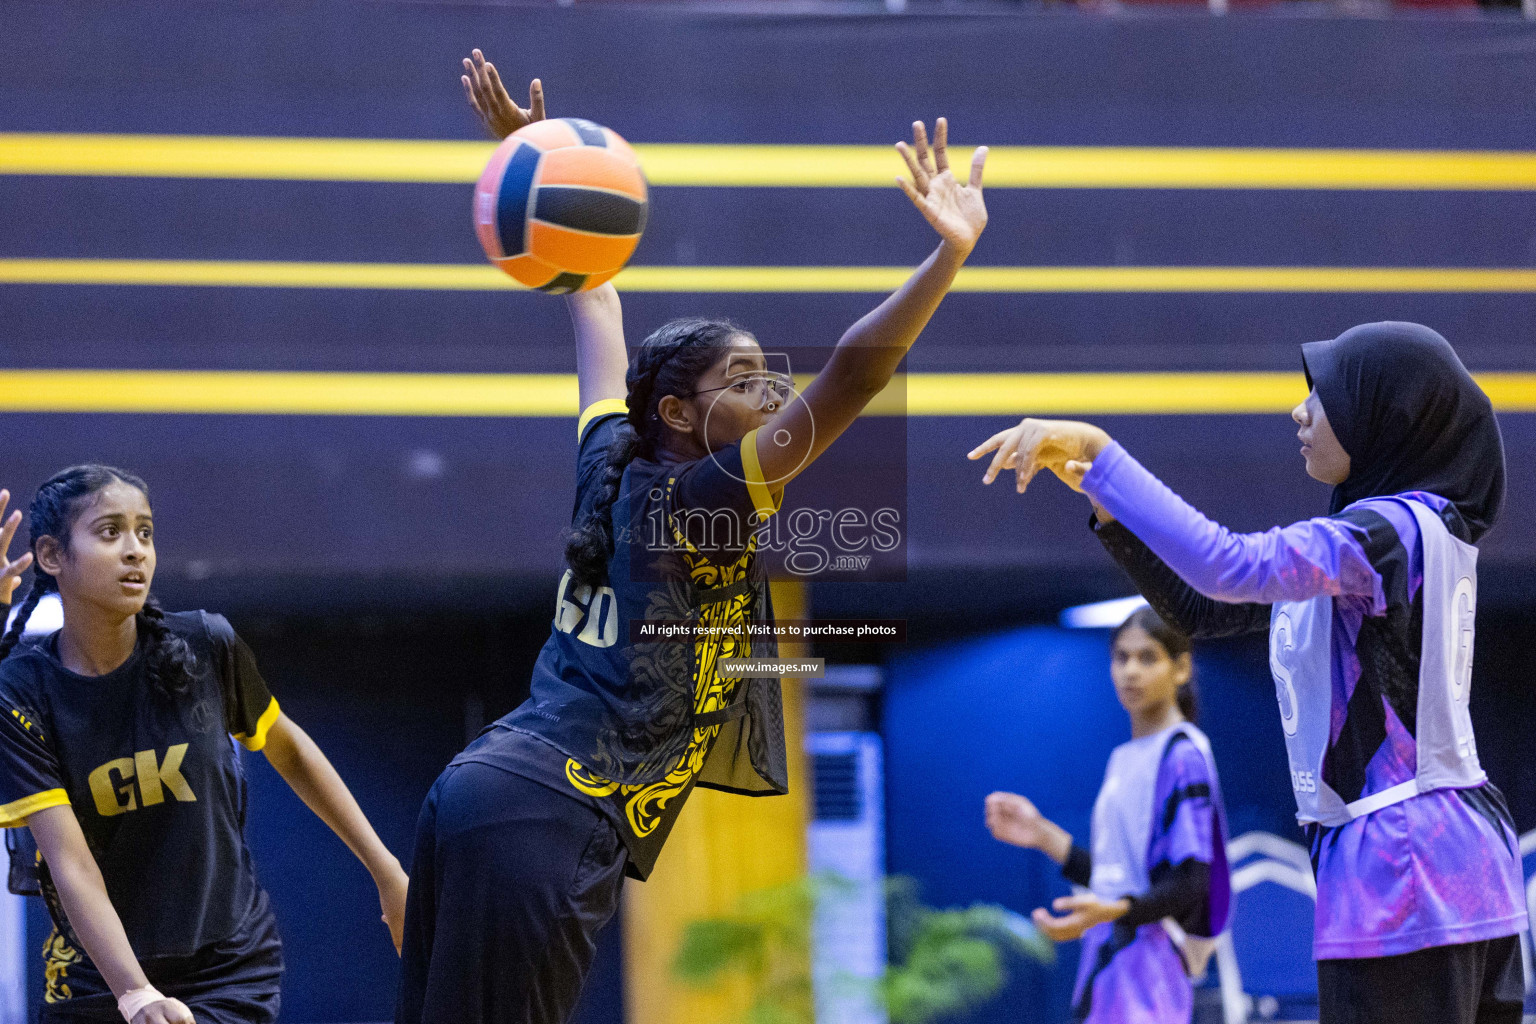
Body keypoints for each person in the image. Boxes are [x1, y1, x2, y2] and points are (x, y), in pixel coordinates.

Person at [393, 50, 990, 1024]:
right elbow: (853, 376)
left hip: (491, 794)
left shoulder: (612, 460)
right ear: (677, 410)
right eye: (744, 379)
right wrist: (947, 257)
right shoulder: (707, 497)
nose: (769, 393)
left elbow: (590, 293)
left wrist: (532, 166)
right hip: (547, 808)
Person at [968, 321, 1526, 1024]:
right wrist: (1108, 510)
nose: (1301, 412)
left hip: (1406, 869)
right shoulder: (1403, 539)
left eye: (1321, 396)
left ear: (1382, 415)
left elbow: (1230, 565)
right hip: (1457, 866)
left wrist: (1099, 449)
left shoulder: (1386, 532)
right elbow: (1203, 611)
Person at [0, 469, 408, 1024]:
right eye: (110, 532)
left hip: (228, 968)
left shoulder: (205, 644)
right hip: (98, 976)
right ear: (51, 555)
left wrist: (388, 874)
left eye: (145, 533)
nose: (135, 552)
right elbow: (70, 861)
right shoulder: (22, 691)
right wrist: (136, 994)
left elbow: (290, 750)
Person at [986, 606, 1229, 1023]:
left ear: (1181, 668)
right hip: (1114, 961)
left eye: (1147, 657)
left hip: (1153, 969)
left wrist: (1112, 911)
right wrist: (1041, 833)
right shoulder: (1125, 757)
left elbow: (1192, 881)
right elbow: (1120, 880)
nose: (1130, 671)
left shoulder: (1183, 754)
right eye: (1121, 657)